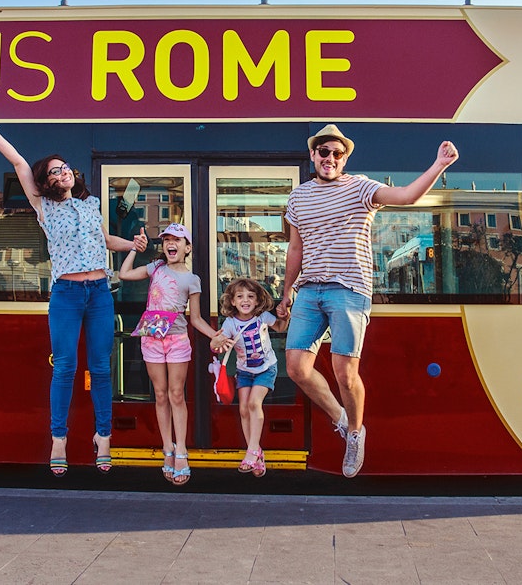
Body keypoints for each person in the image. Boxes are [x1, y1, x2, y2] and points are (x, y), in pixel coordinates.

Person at [0, 104, 148, 477]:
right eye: (55, 170)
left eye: (65, 167)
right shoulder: (44, 207)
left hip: (100, 292)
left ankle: (103, 437)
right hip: (66, 295)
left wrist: (132, 245)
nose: (63, 171)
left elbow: (104, 241)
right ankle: (59, 440)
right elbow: (19, 163)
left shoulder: (91, 204)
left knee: (101, 369)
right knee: (65, 368)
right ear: (46, 182)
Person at [276, 124, 459, 478]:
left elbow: (406, 197)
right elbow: (295, 247)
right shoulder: (298, 197)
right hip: (309, 290)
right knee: (297, 368)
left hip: (349, 289)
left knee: (346, 374)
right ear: (313, 156)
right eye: (324, 152)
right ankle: (343, 420)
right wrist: (287, 291)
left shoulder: (361, 187)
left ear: (345, 158)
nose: (330, 158)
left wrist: (439, 165)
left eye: (337, 154)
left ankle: (356, 434)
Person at [118, 222, 217, 485]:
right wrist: (133, 248)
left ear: (187, 248)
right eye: (166, 240)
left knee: (176, 394)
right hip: (151, 338)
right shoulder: (155, 268)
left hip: (176, 340)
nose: (170, 244)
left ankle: (182, 449)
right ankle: (167, 449)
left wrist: (215, 335)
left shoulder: (192, 279)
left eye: (176, 240)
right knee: (160, 395)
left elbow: (195, 319)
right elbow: (124, 274)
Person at [210, 278, 289, 477]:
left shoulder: (262, 317)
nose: (245, 300)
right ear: (233, 301)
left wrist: (285, 316)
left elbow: (280, 327)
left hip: (266, 368)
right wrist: (216, 341)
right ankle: (256, 451)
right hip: (244, 371)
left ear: (257, 301)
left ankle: (251, 452)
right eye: (240, 297)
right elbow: (216, 345)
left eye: (250, 297)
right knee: (244, 409)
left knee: (254, 404)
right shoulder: (230, 323)